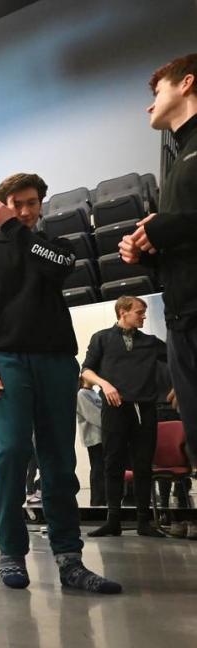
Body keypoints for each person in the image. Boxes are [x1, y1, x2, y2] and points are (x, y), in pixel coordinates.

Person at [0, 172, 121, 594]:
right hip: (8, 363)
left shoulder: (53, 249)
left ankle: (69, 559)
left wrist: (13, 229)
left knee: (59, 463)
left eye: (32, 203)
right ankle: (12, 553)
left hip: (55, 362)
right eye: (16, 203)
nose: (26, 211)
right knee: (11, 451)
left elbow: (61, 267)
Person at [120, 53, 197, 458]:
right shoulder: (177, 161)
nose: (150, 104)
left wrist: (159, 228)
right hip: (181, 316)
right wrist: (147, 251)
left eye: (158, 91)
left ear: (186, 84)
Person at [82, 296, 167, 537]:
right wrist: (104, 384)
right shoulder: (102, 338)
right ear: (123, 312)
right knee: (112, 463)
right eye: (139, 312)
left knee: (143, 464)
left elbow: (178, 360)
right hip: (114, 408)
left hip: (145, 408)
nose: (143, 316)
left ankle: (143, 521)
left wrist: (177, 388)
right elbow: (86, 368)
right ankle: (113, 521)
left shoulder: (151, 342)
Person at [75, 377, 106, 507]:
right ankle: (97, 503)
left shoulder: (94, 393)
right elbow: (93, 416)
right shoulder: (81, 394)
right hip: (94, 438)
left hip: (103, 437)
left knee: (102, 469)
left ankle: (104, 501)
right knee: (98, 469)